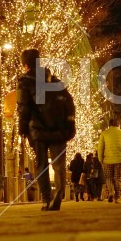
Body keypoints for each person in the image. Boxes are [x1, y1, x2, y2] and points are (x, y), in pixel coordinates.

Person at [16, 49, 75, 212]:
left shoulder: (25, 81)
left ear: (26, 64)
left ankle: (47, 199)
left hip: (38, 129)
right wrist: (70, 125)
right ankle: (58, 195)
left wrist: (22, 127)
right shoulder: (54, 80)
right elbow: (69, 103)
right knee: (59, 165)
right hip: (59, 129)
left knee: (41, 164)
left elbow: (24, 107)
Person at [97, 118, 121, 204]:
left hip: (107, 160)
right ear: (118, 124)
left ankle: (111, 192)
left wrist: (100, 159)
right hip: (119, 159)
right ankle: (118, 197)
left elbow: (100, 147)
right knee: (118, 178)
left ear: (109, 124)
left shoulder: (104, 133)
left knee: (109, 178)